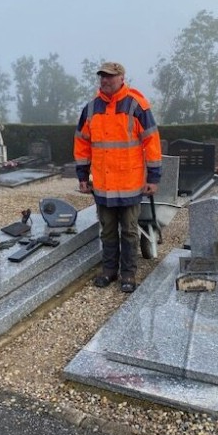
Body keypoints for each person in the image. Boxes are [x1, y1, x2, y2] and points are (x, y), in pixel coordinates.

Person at [74, 62, 162, 293]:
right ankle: (109, 270)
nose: (106, 80)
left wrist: (153, 177)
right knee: (108, 230)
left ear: (122, 77)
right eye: (102, 76)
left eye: (111, 76)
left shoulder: (136, 105)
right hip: (103, 185)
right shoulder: (91, 108)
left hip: (130, 184)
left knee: (130, 231)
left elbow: (151, 142)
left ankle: (129, 274)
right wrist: (82, 176)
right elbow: (82, 144)